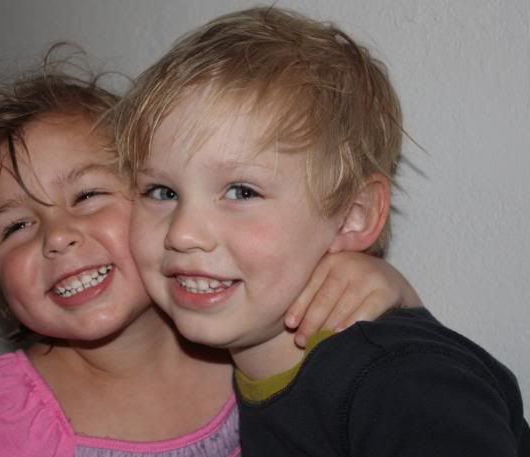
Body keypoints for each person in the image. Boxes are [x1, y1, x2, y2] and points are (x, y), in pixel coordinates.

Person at [0, 52, 421, 457]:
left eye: (87, 196)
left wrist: (393, 290)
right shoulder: (1, 415)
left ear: (157, 201)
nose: (57, 236)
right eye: (16, 226)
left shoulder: (241, 335)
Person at [116, 6, 530, 456]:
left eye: (241, 191)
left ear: (353, 216)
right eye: (162, 192)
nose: (183, 233)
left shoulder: (401, 380)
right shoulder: (226, 361)